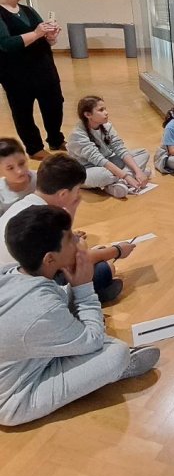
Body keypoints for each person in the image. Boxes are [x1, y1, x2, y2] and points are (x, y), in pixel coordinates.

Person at [0, 205, 160, 426]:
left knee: (75, 300)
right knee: (117, 354)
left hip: (29, 354)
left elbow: (53, 304)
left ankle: (77, 337)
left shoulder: (12, 271)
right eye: (70, 239)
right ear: (49, 259)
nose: (77, 240)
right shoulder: (40, 307)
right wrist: (84, 288)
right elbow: (93, 341)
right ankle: (111, 371)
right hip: (15, 397)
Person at [0, 154, 135, 303]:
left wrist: (71, 211)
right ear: (63, 193)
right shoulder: (46, 218)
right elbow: (75, 258)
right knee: (104, 269)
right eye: (77, 190)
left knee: (95, 254)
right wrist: (117, 250)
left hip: (10, 279)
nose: (79, 195)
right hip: (29, 290)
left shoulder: (29, 205)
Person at [0, 0, 65, 161]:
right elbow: (6, 44)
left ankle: (55, 139)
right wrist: (36, 33)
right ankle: (34, 148)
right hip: (17, 75)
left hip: (44, 69)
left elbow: (44, 39)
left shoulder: (28, 10)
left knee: (55, 104)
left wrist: (50, 36)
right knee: (23, 112)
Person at [67, 95, 150, 199]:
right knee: (105, 175)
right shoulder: (77, 135)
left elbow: (120, 149)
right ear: (88, 115)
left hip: (108, 162)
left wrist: (138, 171)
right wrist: (127, 176)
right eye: (101, 110)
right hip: (86, 170)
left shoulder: (107, 126)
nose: (106, 112)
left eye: (105, 109)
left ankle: (119, 183)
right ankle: (126, 179)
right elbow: (99, 160)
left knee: (143, 153)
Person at [0, 137, 36, 215]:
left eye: (21, 163)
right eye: (10, 168)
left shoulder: (42, 179)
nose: (19, 171)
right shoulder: (1, 194)